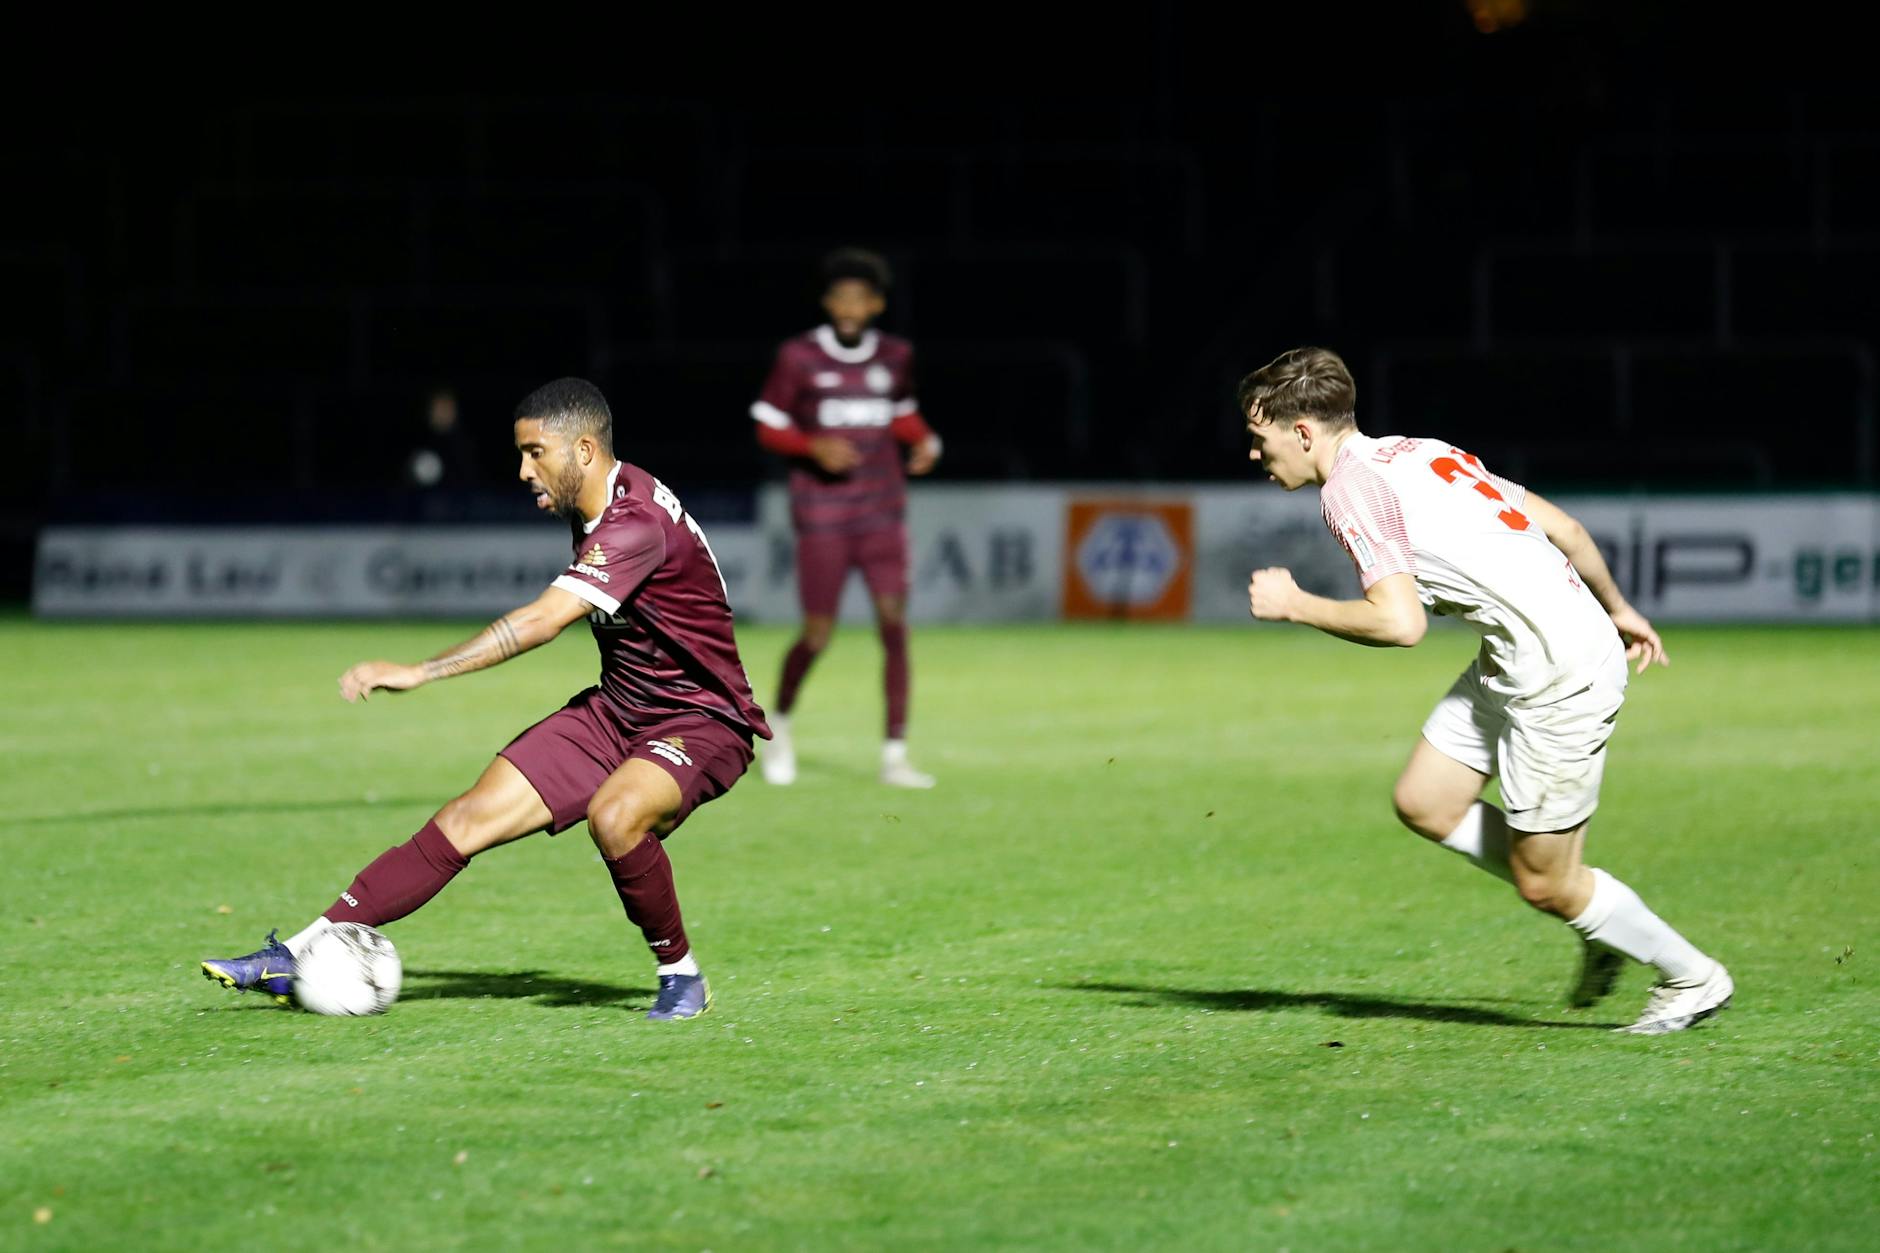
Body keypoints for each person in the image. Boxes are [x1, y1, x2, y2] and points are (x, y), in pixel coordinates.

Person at [203, 378, 768, 1021]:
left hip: (702, 720)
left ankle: (681, 975)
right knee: (467, 817)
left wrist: (421, 671)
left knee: (615, 816)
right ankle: (299, 951)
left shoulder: (634, 521)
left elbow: (542, 622)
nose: (523, 469)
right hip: (618, 710)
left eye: (534, 452)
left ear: (583, 450)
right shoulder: (599, 502)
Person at [1238, 346, 1731, 1035]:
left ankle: (1692, 976)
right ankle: (1590, 909)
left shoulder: (1349, 488)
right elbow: (1565, 528)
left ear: (1302, 432)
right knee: (1425, 800)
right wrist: (1618, 607)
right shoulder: (1415, 451)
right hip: (1523, 653)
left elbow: (1400, 622)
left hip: (1558, 674)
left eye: (1259, 440)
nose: (1255, 456)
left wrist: (1297, 605)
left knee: (1546, 882)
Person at [750, 247, 943, 789]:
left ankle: (895, 755)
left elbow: (900, 415)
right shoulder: (799, 357)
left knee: (894, 626)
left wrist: (926, 439)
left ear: (877, 304)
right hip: (823, 513)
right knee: (817, 633)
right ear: (828, 302)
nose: (849, 307)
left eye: (861, 297)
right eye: (840, 297)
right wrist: (812, 447)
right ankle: (780, 726)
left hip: (882, 511)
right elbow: (768, 425)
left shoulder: (896, 356)